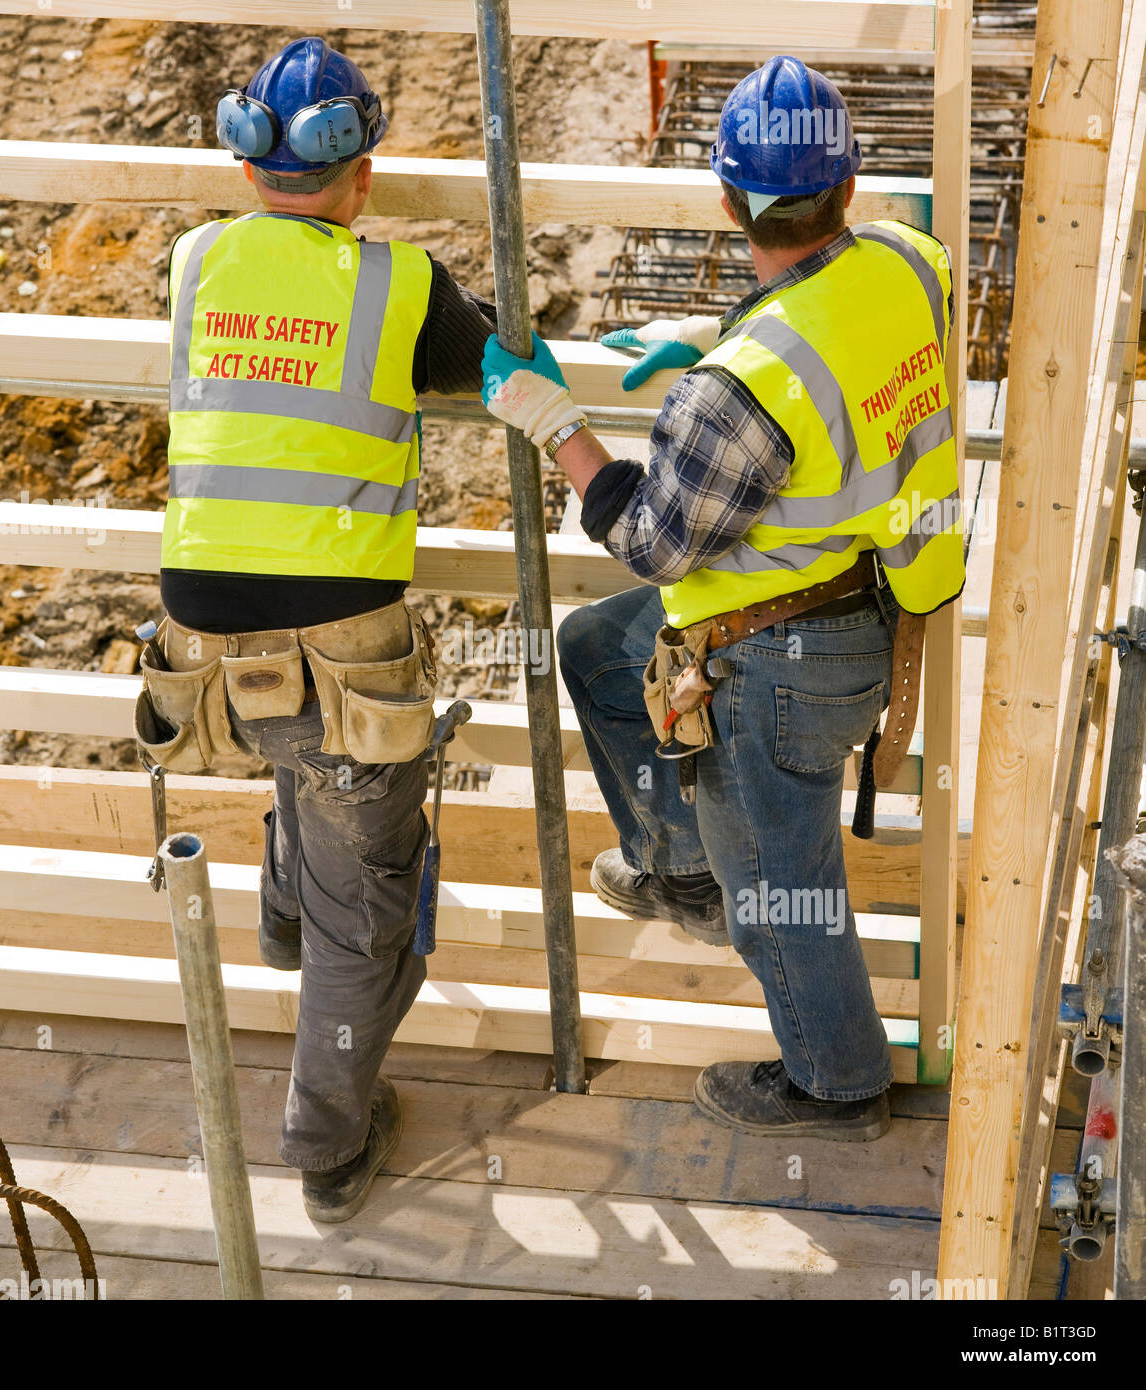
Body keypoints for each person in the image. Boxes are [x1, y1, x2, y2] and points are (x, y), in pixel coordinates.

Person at [481, 56, 964, 1142]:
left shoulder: (736, 397)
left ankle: (837, 1084)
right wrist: (709, 341)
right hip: (862, 604)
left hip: (776, 667)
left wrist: (556, 424)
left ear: (726, 200)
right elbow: (833, 327)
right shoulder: (906, 260)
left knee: (786, 896)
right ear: (847, 186)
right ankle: (686, 866)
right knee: (602, 649)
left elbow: (651, 540)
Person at [136, 37, 497, 1220]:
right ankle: (326, 1144)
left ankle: (290, 935)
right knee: (369, 900)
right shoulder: (402, 286)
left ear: (248, 170)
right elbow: (491, 359)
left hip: (198, 641)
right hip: (336, 646)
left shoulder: (192, 261)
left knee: (299, 774)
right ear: (365, 173)